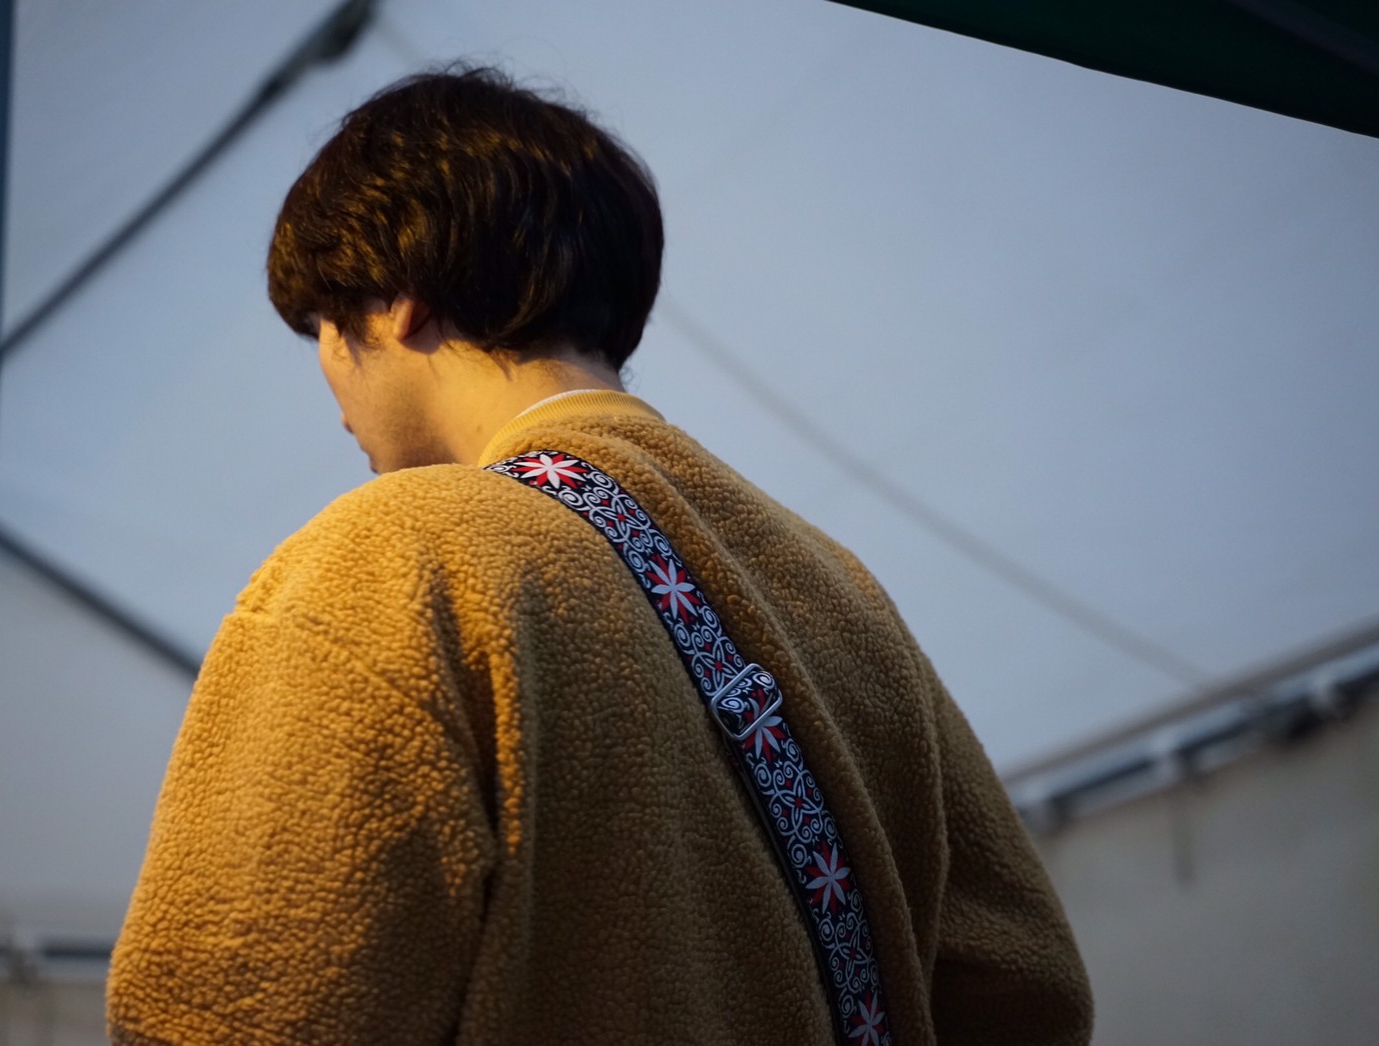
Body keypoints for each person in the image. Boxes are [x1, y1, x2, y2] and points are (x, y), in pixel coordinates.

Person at [106, 66, 1092, 1045]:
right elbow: (1028, 989)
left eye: (325, 327)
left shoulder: (396, 554)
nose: (332, 389)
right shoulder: (841, 591)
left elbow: (242, 1007)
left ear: (399, 297)